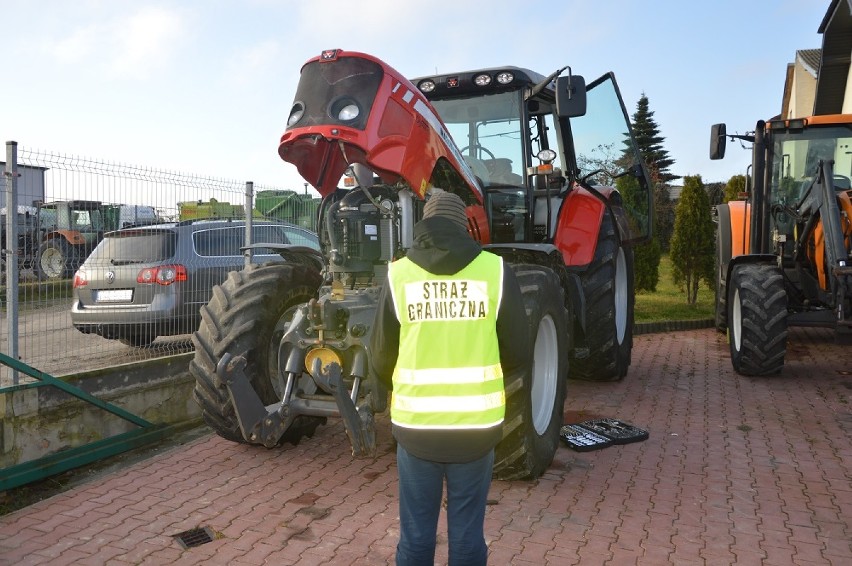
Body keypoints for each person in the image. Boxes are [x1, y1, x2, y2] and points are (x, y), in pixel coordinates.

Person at [370, 190, 530, 565]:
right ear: (465, 227)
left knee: (416, 538)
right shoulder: (495, 271)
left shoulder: (399, 274)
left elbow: (380, 356)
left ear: (425, 225)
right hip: (476, 431)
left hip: (416, 430)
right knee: (468, 537)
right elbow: (519, 351)